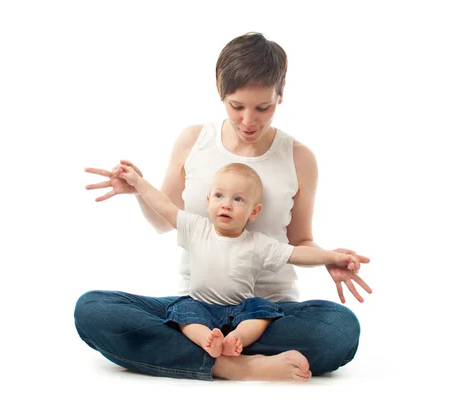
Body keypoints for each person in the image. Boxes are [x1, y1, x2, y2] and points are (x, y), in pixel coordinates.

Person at [75, 31, 373, 382]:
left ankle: (193, 355)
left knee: (338, 329)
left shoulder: (300, 157)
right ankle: (235, 365)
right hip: (195, 310)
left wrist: (329, 259)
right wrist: (139, 190)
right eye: (237, 106)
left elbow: (299, 241)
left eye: (264, 107)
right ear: (221, 94)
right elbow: (164, 222)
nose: (249, 121)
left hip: (267, 312)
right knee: (93, 310)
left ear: (281, 94)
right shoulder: (194, 141)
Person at [116, 161, 361, 359]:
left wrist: (333, 256)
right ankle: (206, 340)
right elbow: (164, 205)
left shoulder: (257, 243)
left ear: (254, 212)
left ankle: (236, 340)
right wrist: (138, 183)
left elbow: (297, 253)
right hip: (200, 304)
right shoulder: (195, 228)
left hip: (240, 310)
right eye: (220, 196)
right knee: (184, 311)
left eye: (238, 200)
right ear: (208, 200)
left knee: (261, 311)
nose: (227, 205)